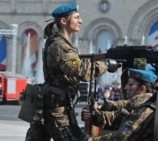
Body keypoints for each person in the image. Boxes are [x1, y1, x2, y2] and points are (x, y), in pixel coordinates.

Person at [25, 2, 118, 141]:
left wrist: (103, 56)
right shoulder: (60, 46)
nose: (80, 21)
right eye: (76, 17)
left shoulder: (62, 43)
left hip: (51, 103)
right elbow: (80, 71)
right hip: (58, 108)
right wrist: (106, 64)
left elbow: (75, 60)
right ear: (63, 21)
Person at [82, 64, 158, 141]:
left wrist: (89, 140)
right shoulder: (136, 105)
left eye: (130, 84)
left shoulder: (146, 110)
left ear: (142, 89)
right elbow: (117, 118)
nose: (126, 87)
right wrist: (94, 115)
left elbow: (123, 136)